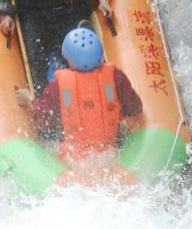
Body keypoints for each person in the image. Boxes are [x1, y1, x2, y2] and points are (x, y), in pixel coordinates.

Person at [16, 27, 142, 159]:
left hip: (74, 159)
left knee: (51, 136)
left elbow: (44, 120)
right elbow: (135, 108)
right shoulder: (117, 77)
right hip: (110, 152)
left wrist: (29, 101)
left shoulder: (58, 86)